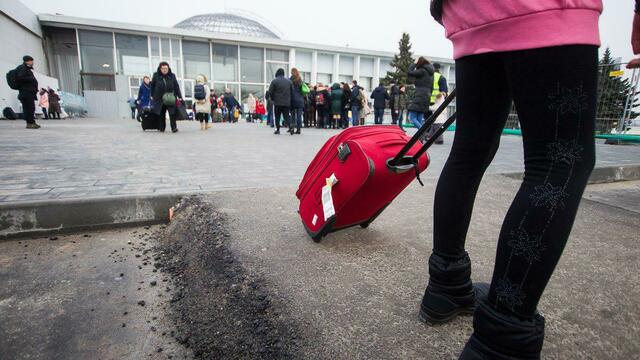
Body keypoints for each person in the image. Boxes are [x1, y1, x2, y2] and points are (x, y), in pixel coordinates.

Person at [421, 1, 603, 359]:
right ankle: (501, 341)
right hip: (546, 8)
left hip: (469, 13)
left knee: (469, 152)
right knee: (559, 161)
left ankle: (446, 283)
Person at [150, 61, 182, 133]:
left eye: (166, 68)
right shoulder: (156, 75)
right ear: (160, 69)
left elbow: (176, 86)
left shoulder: (172, 76)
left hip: (170, 98)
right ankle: (162, 128)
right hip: (160, 98)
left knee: (172, 113)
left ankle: (174, 128)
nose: (165, 70)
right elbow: (152, 86)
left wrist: (180, 96)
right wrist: (152, 95)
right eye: (163, 68)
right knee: (161, 113)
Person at [406, 57, 435, 129]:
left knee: (412, 118)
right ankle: (421, 138)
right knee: (419, 119)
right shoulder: (431, 74)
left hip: (419, 95)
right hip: (427, 96)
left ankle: (423, 133)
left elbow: (409, 72)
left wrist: (414, 64)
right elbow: (432, 86)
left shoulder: (422, 71)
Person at [14, 55, 40, 129]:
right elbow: (20, 78)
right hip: (26, 92)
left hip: (27, 92)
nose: (32, 62)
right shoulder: (22, 68)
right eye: (31, 61)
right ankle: (30, 123)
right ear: (27, 61)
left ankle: (31, 122)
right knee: (29, 108)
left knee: (30, 108)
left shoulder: (25, 68)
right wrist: (31, 78)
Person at [267, 68, 294, 135]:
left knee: (277, 116)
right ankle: (290, 126)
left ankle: (277, 130)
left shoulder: (274, 81)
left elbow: (270, 92)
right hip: (287, 103)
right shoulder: (289, 82)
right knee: (286, 116)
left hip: (277, 102)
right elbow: (292, 92)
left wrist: (272, 99)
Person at [290, 68, 305, 134]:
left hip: (293, 99)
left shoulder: (290, 79)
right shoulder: (300, 80)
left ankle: (292, 128)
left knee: (293, 115)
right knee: (299, 115)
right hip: (300, 99)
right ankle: (299, 130)